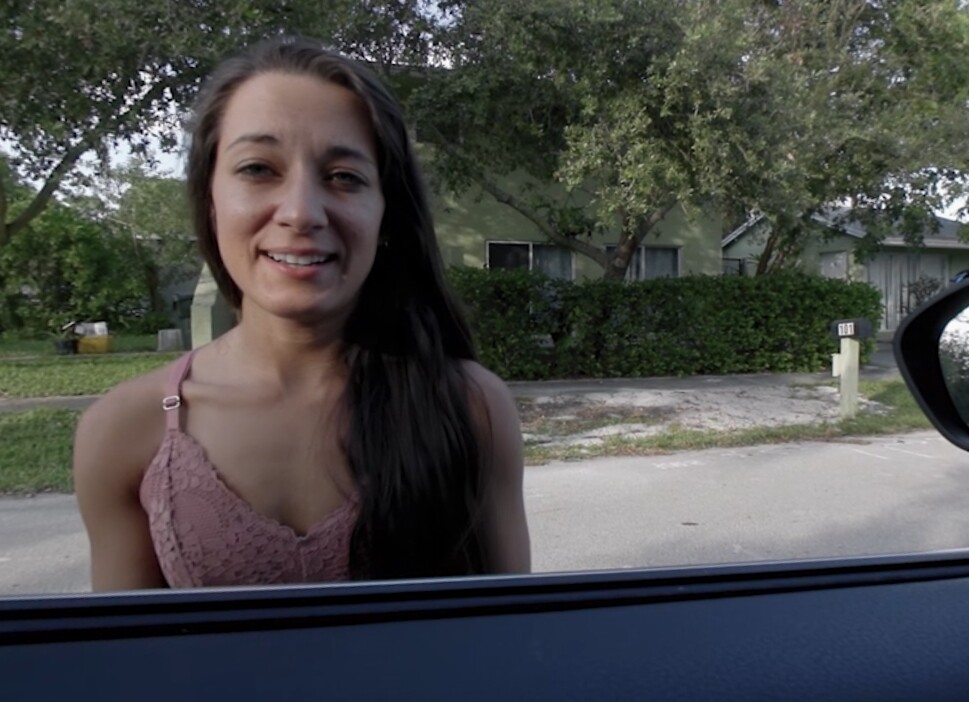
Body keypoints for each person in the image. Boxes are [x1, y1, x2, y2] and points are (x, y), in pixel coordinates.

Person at [73, 36, 531, 590]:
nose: (301, 212)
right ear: (210, 198)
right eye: (258, 168)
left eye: (344, 177)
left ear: (386, 214)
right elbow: (128, 644)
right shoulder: (124, 429)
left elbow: (510, 633)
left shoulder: (470, 408)